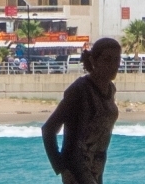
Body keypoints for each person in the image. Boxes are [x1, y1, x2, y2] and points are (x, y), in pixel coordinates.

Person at [42, 38, 122, 184]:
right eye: (107, 59)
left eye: (117, 59)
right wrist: (62, 169)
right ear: (94, 61)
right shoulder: (79, 90)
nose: (113, 65)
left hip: (97, 168)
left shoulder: (110, 89)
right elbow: (48, 129)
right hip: (76, 169)